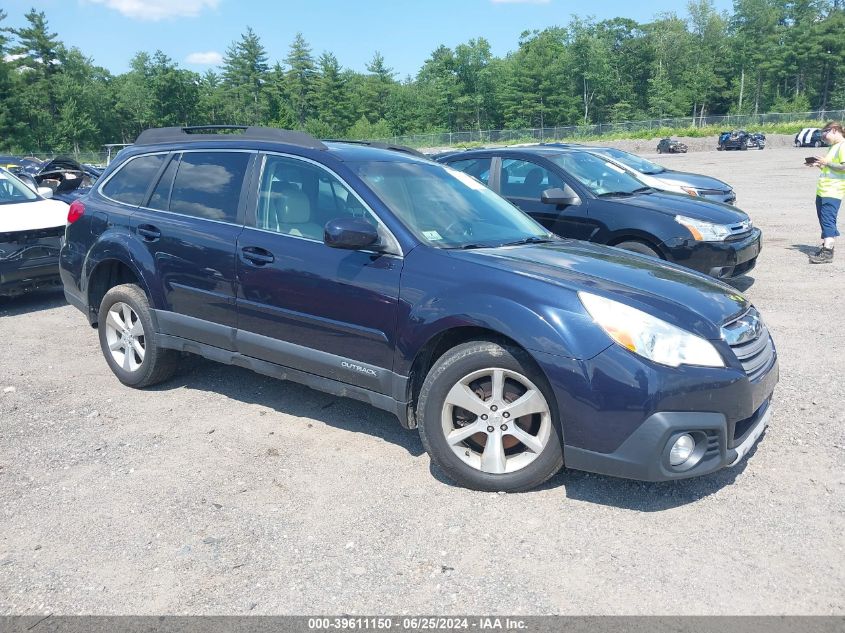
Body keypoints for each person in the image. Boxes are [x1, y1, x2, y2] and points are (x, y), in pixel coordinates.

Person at [807, 121, 845, 264]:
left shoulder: (843, 146)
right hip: (824, 190)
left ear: (834, 130)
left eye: (825, 133)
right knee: (824, 220)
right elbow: (830, 169)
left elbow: (843, 167)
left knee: (828, 220)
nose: (824, 137)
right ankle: (826, 246)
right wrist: (819, 165)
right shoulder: (833, 147)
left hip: (833, 190)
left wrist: (826, 163)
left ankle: (828, 252)